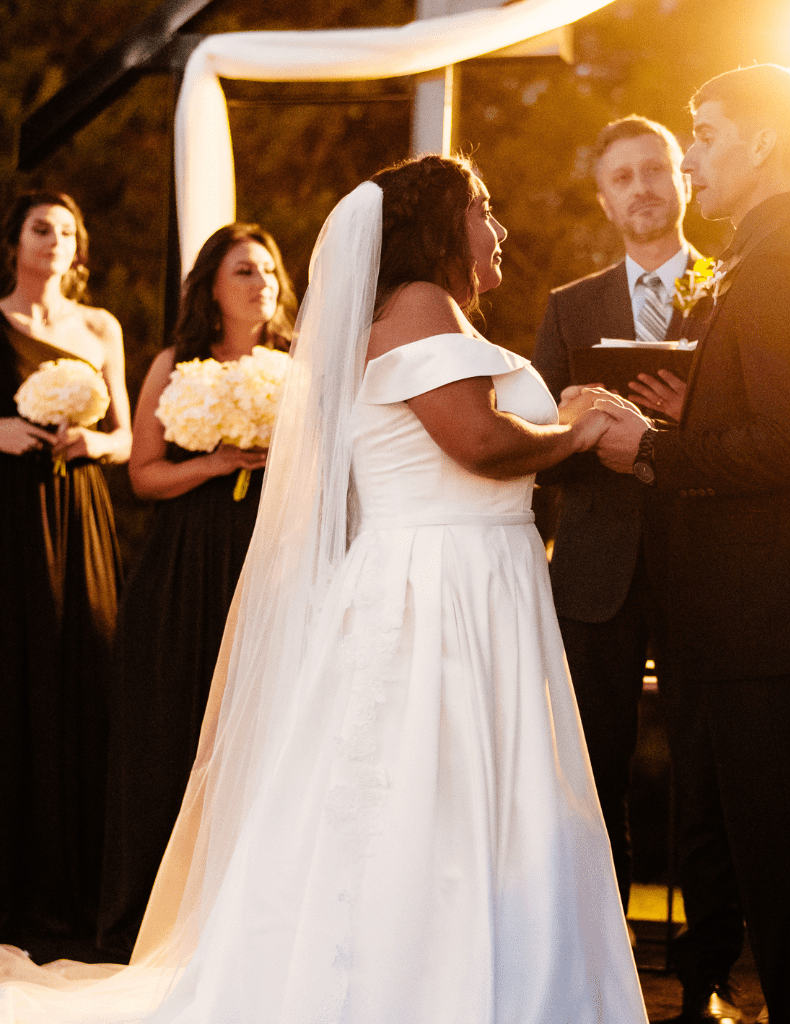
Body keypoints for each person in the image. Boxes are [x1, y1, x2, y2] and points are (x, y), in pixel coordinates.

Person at [0, 154, 648, 1024]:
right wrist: (571, 432)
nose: (497, 228)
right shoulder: (419, 302)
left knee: (452, 795)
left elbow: (473, 432)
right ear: (431, 226)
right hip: (442, 585)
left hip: (467, 573)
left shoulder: (418, 311)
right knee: (435, 793)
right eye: (482, 209)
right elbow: (477, 443)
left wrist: (556, 417)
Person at [595, 65, 790, 1024]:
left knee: (783, 860)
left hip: (762, 620)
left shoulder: (789, 265)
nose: (690, 155)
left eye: (705, 134)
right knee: (733, 843)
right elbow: (761, 414)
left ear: (764, 145)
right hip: (722, 619)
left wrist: (652, 447)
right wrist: (689, 405)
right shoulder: (751, 262)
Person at [532, 117, 745, 1017]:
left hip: (706, 561)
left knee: (707, 778)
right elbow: (534, 444)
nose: (644, 186)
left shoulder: (735, 289)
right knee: (592, 777)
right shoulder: (569, 307)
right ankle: (599, 978)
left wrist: (692, 415)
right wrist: (587, 425)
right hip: (595, 566)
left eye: (657, 168)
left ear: (682, 180)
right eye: (623, 176)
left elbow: (763, 424)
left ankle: (704, 986)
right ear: (604, 196)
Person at [97, 223, 296, 957]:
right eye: (245, 270)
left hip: (270, 558)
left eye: (269, 271)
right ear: (212, 286)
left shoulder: (300, 365)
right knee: (173, 731)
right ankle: (150, 918)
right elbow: (144, 474)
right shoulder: (175, 363)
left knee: (264, 729)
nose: (261, 282)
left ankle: (248, 922)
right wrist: (215, 464)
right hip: (185, 564)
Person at [0, 191, 132, 944]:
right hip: (10, 516)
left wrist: (96, 447)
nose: (54, 240)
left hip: (80, 509)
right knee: (16, 678)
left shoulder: (99, 327)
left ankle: (77, 885)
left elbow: (126, 436)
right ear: (14, 241)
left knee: (83, 675)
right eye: (40, 227)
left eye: (67, 231)